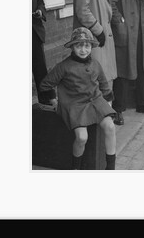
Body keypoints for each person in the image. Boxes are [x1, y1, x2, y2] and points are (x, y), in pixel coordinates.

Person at [39, 27, 117, 170]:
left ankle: (110, 168)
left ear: (91, 47)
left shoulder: (95, 64)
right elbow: (45, 84)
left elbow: (104, 85)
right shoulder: (64, 66)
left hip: (95, 101)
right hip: (74, 104)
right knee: (82, 137)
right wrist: (54, 101)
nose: (83, 50)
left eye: (86, 46)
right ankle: (76, 168)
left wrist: (108, 104)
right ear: (72, 47)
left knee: (110, 126)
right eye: (79, 45)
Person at [73, 0, 117, 89]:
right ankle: (101, 111)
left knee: (104, 81)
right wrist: (98, 30)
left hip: (99, 39)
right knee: (96, 81)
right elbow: (82, 9)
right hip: (93, 39)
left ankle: (106, 110)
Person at [32, 0, 57, 108]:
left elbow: (41, 3)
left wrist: (40, 11)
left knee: (40, 68)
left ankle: (46, 101)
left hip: (34, 32)